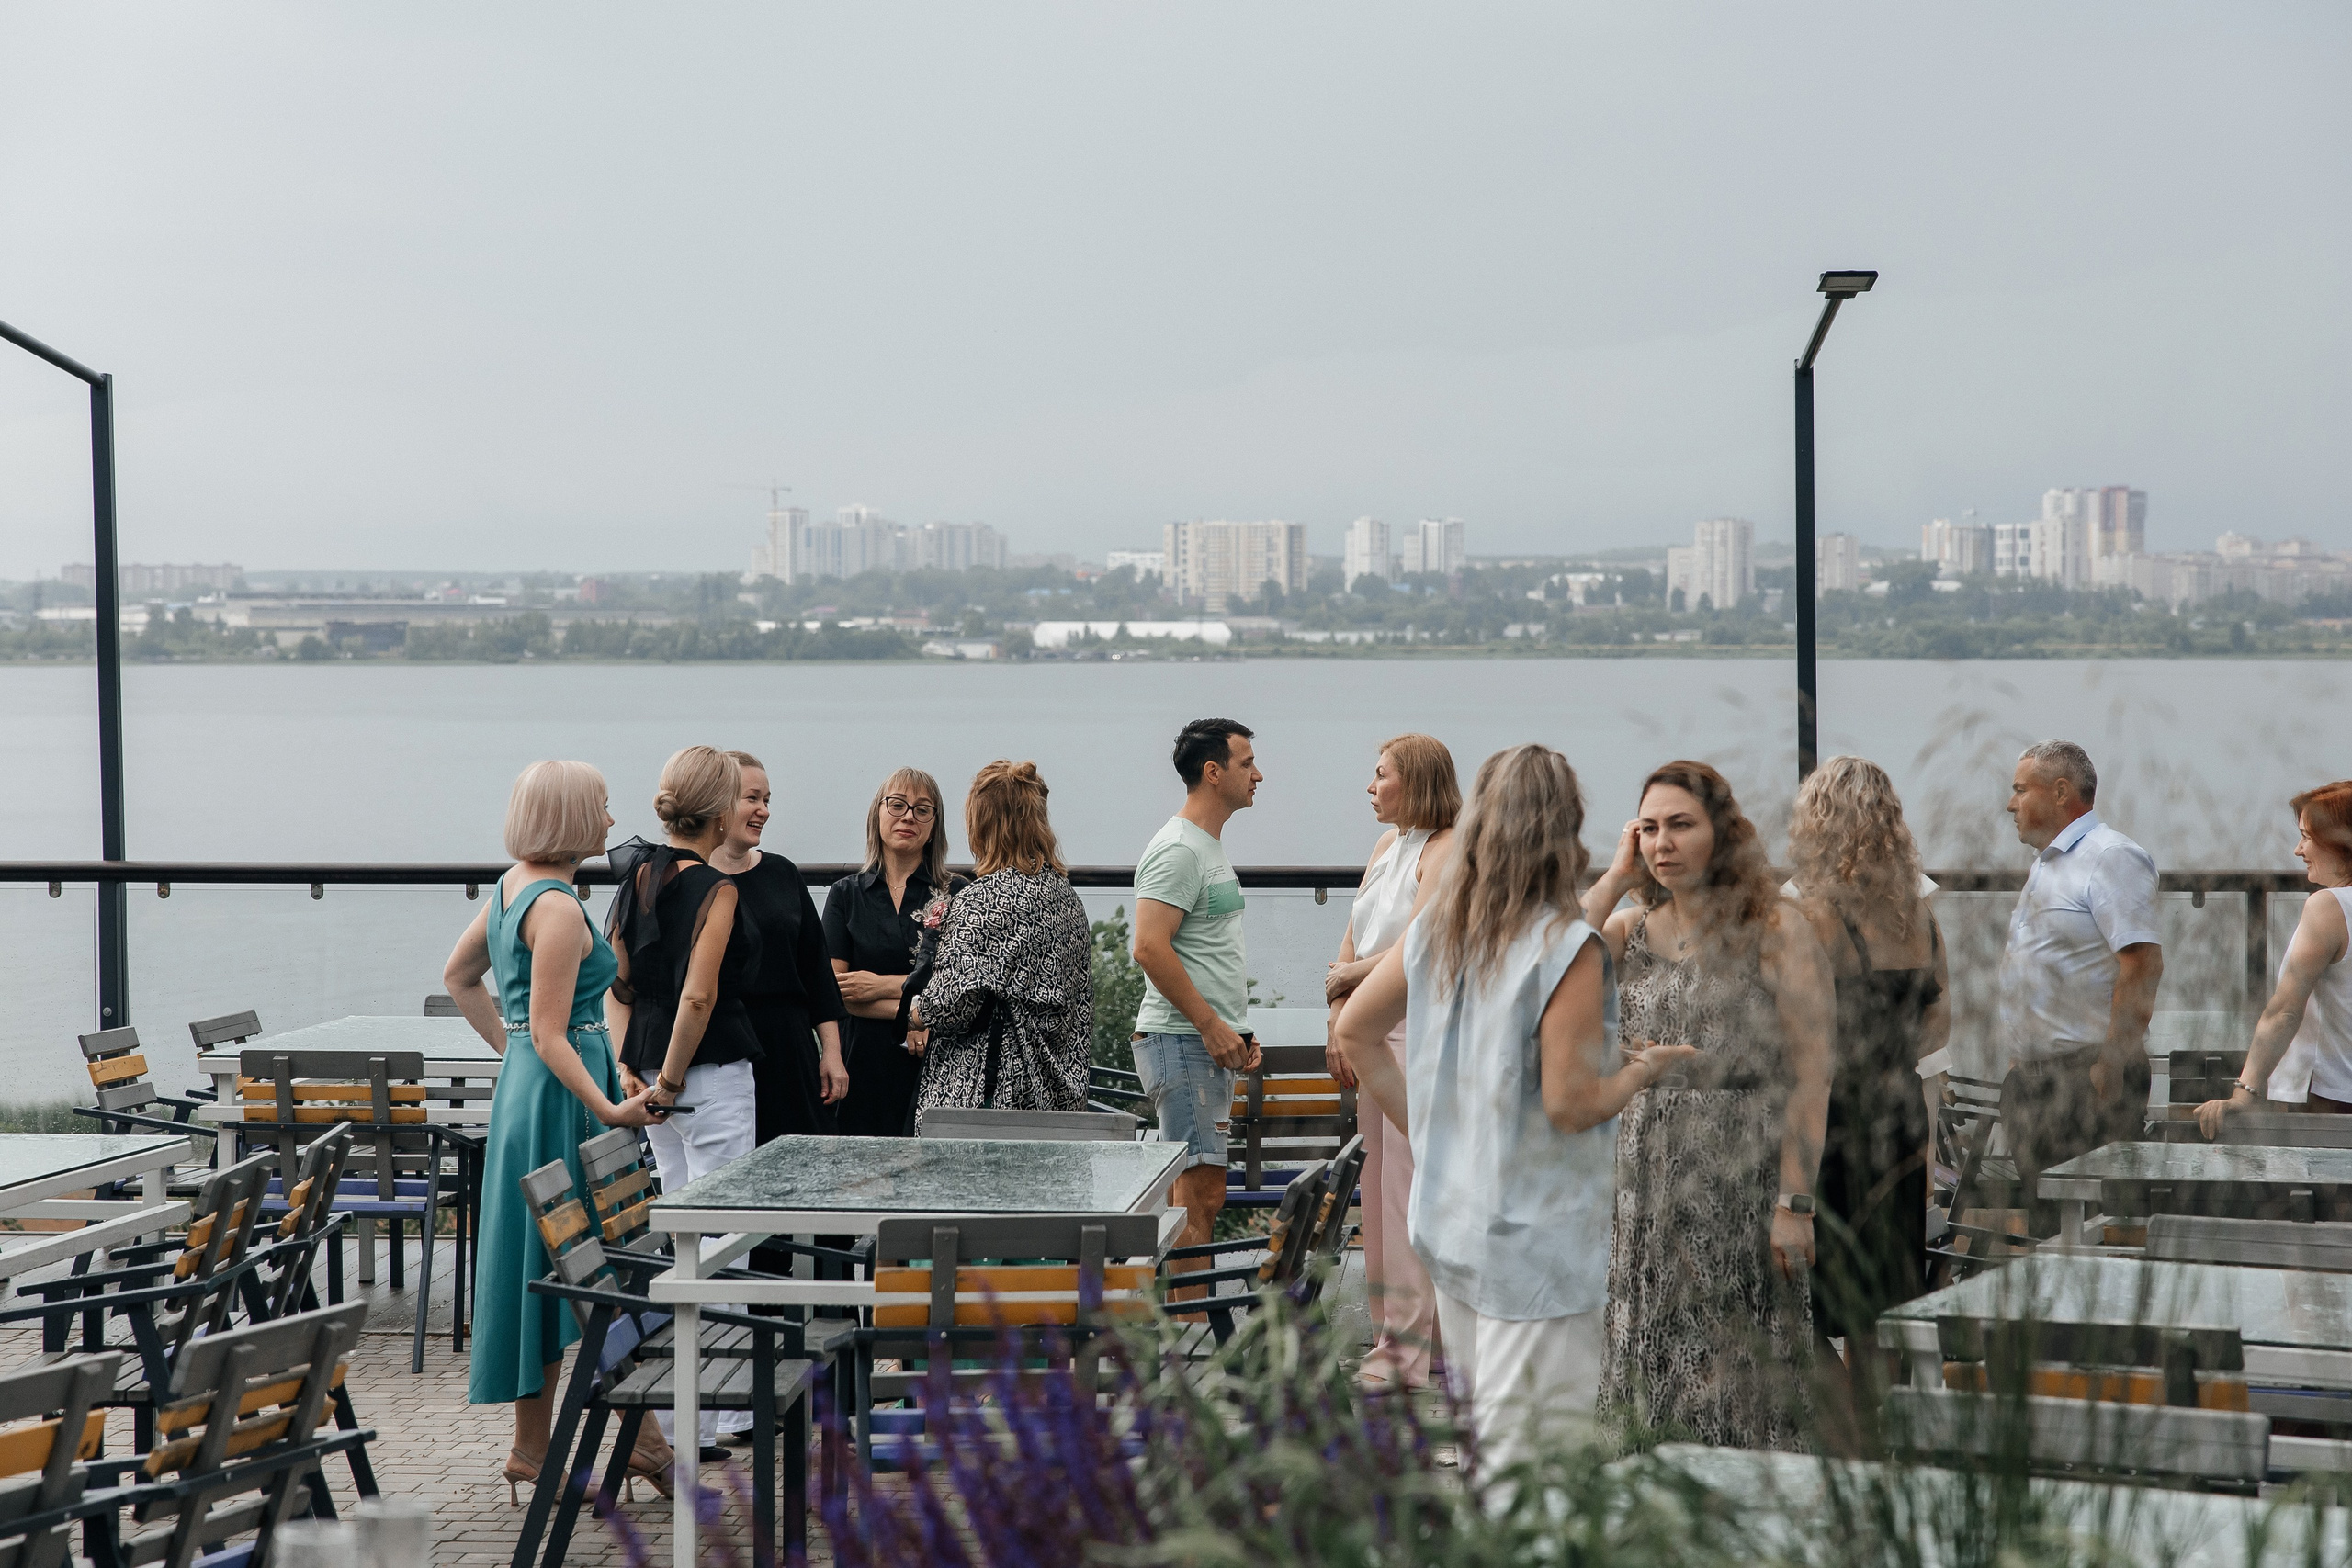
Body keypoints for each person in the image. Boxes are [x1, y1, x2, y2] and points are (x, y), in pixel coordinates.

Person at [1337, 744, 1696, 1473]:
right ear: (1568, 827)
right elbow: (1571, 1103)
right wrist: (1641, 1073)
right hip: (1538, 1249)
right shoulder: (1570, 949)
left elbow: (1357, 1033)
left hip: (1453, 1227)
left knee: (1486, 1457)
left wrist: (1434, 1137)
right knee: (1539, 1474)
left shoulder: (1441, 928)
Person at [1582, 760, 1835, 1452]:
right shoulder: (1625, 929)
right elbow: (1542, 964)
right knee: (1649, 1360)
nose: (1663, 843)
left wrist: (1795, 1203)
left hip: (1742, 1179)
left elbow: (1813, 1073)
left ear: (1721, 832)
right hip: (1644, 1186)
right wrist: (1612, 877)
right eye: (1650, 828)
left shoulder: (1776, 926)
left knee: (1740, 1363)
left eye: (1681, 825)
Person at [443, 761, 665, 1504]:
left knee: (545, 1259)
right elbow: (549, 1030)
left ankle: (536, 1448)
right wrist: (608, 1106)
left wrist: (514, 1056)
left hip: (528, 1093)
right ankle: (642, 1441)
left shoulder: (513, 886)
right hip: (566, 1094)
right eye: (602, 807)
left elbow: (459, 977)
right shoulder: (563, 909)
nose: (610, 821)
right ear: (572, 817)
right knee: (590, 1260)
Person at [606, 746, 763, 1454]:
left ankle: (674, 1419)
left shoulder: (635, 873)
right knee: (723, 1243)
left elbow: (616, 981)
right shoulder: (717, 889)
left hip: (646, 1078)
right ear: (722, 810)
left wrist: (627, 1068)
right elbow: (699, 995)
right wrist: (670, 1078)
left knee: (678, 1240)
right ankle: (724, 1410)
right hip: (708, 1076)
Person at [1786, 757, 1949, 1372]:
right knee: (1878, 1310)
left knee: (1805, 1306)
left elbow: (1793, 1025)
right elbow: (1941, 1010)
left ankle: (1841, 1443)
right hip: (1900, 1116)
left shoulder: (1813, 915)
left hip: (1836, 1119)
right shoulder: (1918, 913)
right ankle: (1876, 1445)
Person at [1325, 733, 1460, 1392]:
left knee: (1410, 1188)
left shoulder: (1446, 847)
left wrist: (1349, 975)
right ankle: (1400, 1336)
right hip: (1369, 1025)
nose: (1370, 787)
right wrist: (1339, 1020)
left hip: (1416, 1028)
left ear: (1416, 781)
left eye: (1380, 775)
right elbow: (1353, 932)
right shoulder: (1386, 847)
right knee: (1376, 1189)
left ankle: (1407, 1349)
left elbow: (1422, 942)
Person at [1996, 740, 2164, 1202]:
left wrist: (2110, 1064)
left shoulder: (2110, 857)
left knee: (2090, 1225)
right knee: (2047, 1232)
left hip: (2084, 1082)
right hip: (2036, 1083)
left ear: (2060, 791)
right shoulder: (2049, 862)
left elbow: (2143, 965)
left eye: (2019, 790)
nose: (2010, 804)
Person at [1130, 719, 1265, 1280]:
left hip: (1202, 1045)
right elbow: (1147, 946)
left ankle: (1187, 1339)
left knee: (1204, 1194)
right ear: (1213, 773)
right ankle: (1184, 1352)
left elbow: (1206, 952)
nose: (1258, 775)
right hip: (1182, 1042)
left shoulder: (1204, 846)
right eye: (1246, 763)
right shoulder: (1179, 850)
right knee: (1195, 1196)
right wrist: (1210, 1026)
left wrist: (1234, 1030)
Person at [902, 761, 1092, 1112]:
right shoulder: (1069, 901)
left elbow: (953, 1004)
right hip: (1057, 1097)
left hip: (988, 1097)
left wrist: (916, 1011)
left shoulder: (981, 899)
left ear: (983, 824)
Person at [707, 751, 851, 1146]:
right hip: (724, 1048)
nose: (763, 811)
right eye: (752, 798)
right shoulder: (692, 882)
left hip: (791, 1049)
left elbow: (817, 972)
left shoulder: (782, 873)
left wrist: (832, 1053)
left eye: (767, 800)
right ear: (718, 802)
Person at [2196, 780, 2352, 1132]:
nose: (2298, 850)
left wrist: (2244, 1092)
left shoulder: (2330, 907)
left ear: (2341, 843)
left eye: (2307, 837)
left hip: (2332, 1100)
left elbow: (2285, 1009)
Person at [824, 769, 964, 1136]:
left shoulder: (958, 893)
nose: (908, 817)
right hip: (860, 1062)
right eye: (898, 805)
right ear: (878, 813)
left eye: (922, 810)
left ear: (935, 825)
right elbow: (836, 991)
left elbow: (962, 986)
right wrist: (915, 1013)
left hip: (935, 1061)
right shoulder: (845, 894)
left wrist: (882, 987)